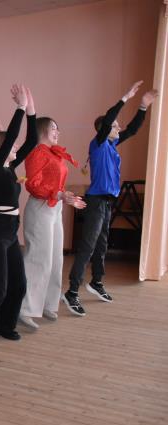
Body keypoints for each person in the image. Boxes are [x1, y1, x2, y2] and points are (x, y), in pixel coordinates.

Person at [62, 82, 157, 315]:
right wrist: (125, 97)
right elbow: (108, 121)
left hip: (106, 202)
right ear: (104, 129)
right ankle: (72, 292)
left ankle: (96, 282)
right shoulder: (98, 144)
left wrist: (143, 107)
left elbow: (132, 130)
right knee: (87, 246)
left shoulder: (112, 145)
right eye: (115, 126)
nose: (118, 127)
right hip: (95, 202)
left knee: (102, 245)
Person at [0, 84, 38, 341]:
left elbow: (32, 141)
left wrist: (31, 110)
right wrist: (20, 107)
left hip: (11, 231)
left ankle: (2, 325)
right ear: (2, 147)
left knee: (18, 285)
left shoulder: (9, 167)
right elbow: (13, 136)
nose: (16, 148)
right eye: (11, 146)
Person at [17, 117, 85, 331]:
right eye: (54, 128)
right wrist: (59, 194)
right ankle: (25, 308)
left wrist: (66, 197)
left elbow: (55, 185)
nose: (57, 132)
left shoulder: (54, 153)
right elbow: (33, 184)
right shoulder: (37, 152)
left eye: (58, 128)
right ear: (42, 130)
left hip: (54, 208)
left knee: (56, 258)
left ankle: (47, 303)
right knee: (39, 258)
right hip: (40, 208)